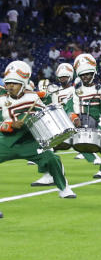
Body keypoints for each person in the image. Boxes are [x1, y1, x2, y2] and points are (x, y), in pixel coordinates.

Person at [0, 60, 75, 198]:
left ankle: (64, 188)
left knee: (52, 158)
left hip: (30, 142)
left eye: (14, 83)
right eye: (8, 83)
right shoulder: (1, 99)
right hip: (6, 141)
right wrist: (10, 125)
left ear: (23, 85)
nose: (10, 86)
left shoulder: (32, 97)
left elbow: (44, 115)